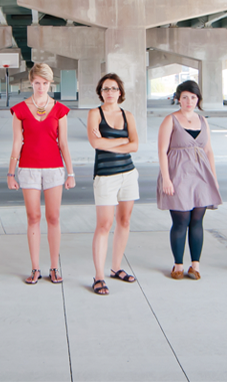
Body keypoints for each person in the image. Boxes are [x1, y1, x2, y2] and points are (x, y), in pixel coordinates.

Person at [8, 63, 75, 285]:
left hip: (54, 168)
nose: (41, 87)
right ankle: (36, 268)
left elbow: (63, 143)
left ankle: (54, 267)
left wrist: (70, 172)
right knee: (33, 217)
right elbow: (17, 143)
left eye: (45, 83)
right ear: (31, 82)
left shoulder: (59, 109)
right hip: (28, 169)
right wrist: (10, 173)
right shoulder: (19, 110)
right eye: (37, 82)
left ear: (50, 83)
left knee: (53, 217)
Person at [156, 80, 222, 280]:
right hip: (178, 174)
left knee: (197, 220)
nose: (189, 101)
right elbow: (161, 150)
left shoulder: (203, 120)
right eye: (185, 97)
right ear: (178, 99)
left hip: (201, 176)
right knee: (181, 220)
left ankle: (195, 265)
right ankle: (178, 264)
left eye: (193, 97)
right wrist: (166, 179)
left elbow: (208, 150)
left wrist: (214, 178)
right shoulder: (170, 120)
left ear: (198, 99)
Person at [87, 73, 140, 296]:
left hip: (128, 174)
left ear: (120, 92)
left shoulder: (128, 115)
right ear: (100, 92)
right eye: (106, 89)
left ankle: (116, 267)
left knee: (124, 221)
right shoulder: (94, 114)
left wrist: (109, 143)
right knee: (104, 225)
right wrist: (122, 141)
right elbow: (94, 142)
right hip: (105, 176)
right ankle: (98, 276)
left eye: (114, 89)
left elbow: (135, 145)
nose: (110, 92)